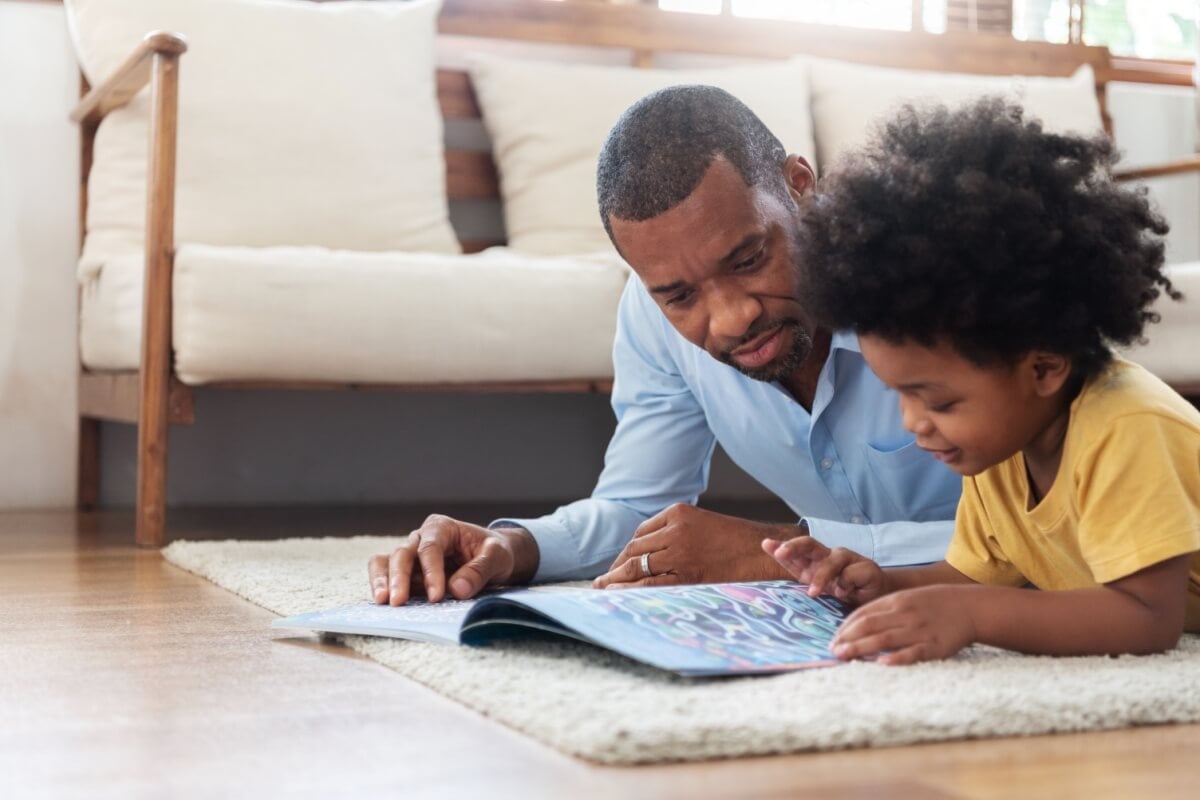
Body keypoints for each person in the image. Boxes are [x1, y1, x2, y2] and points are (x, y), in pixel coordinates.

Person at [367, 86, 962, 606]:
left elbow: (1043, 533)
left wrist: (775, 550)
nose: (732, 320)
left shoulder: (944, 287)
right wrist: (515, 547)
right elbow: (637, 510)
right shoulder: (650, 312)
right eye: (679, 296)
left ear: (799, 187)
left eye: (750, 259)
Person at [765, 97, 1200, 665]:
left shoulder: (1127, 427)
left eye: (937, 400)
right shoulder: (999, 447)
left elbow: (1148, 618)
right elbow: (970, 577)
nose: (912, 423)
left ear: (1043, 367)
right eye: (899, 393)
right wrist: (882, 585)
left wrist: (966, 616)